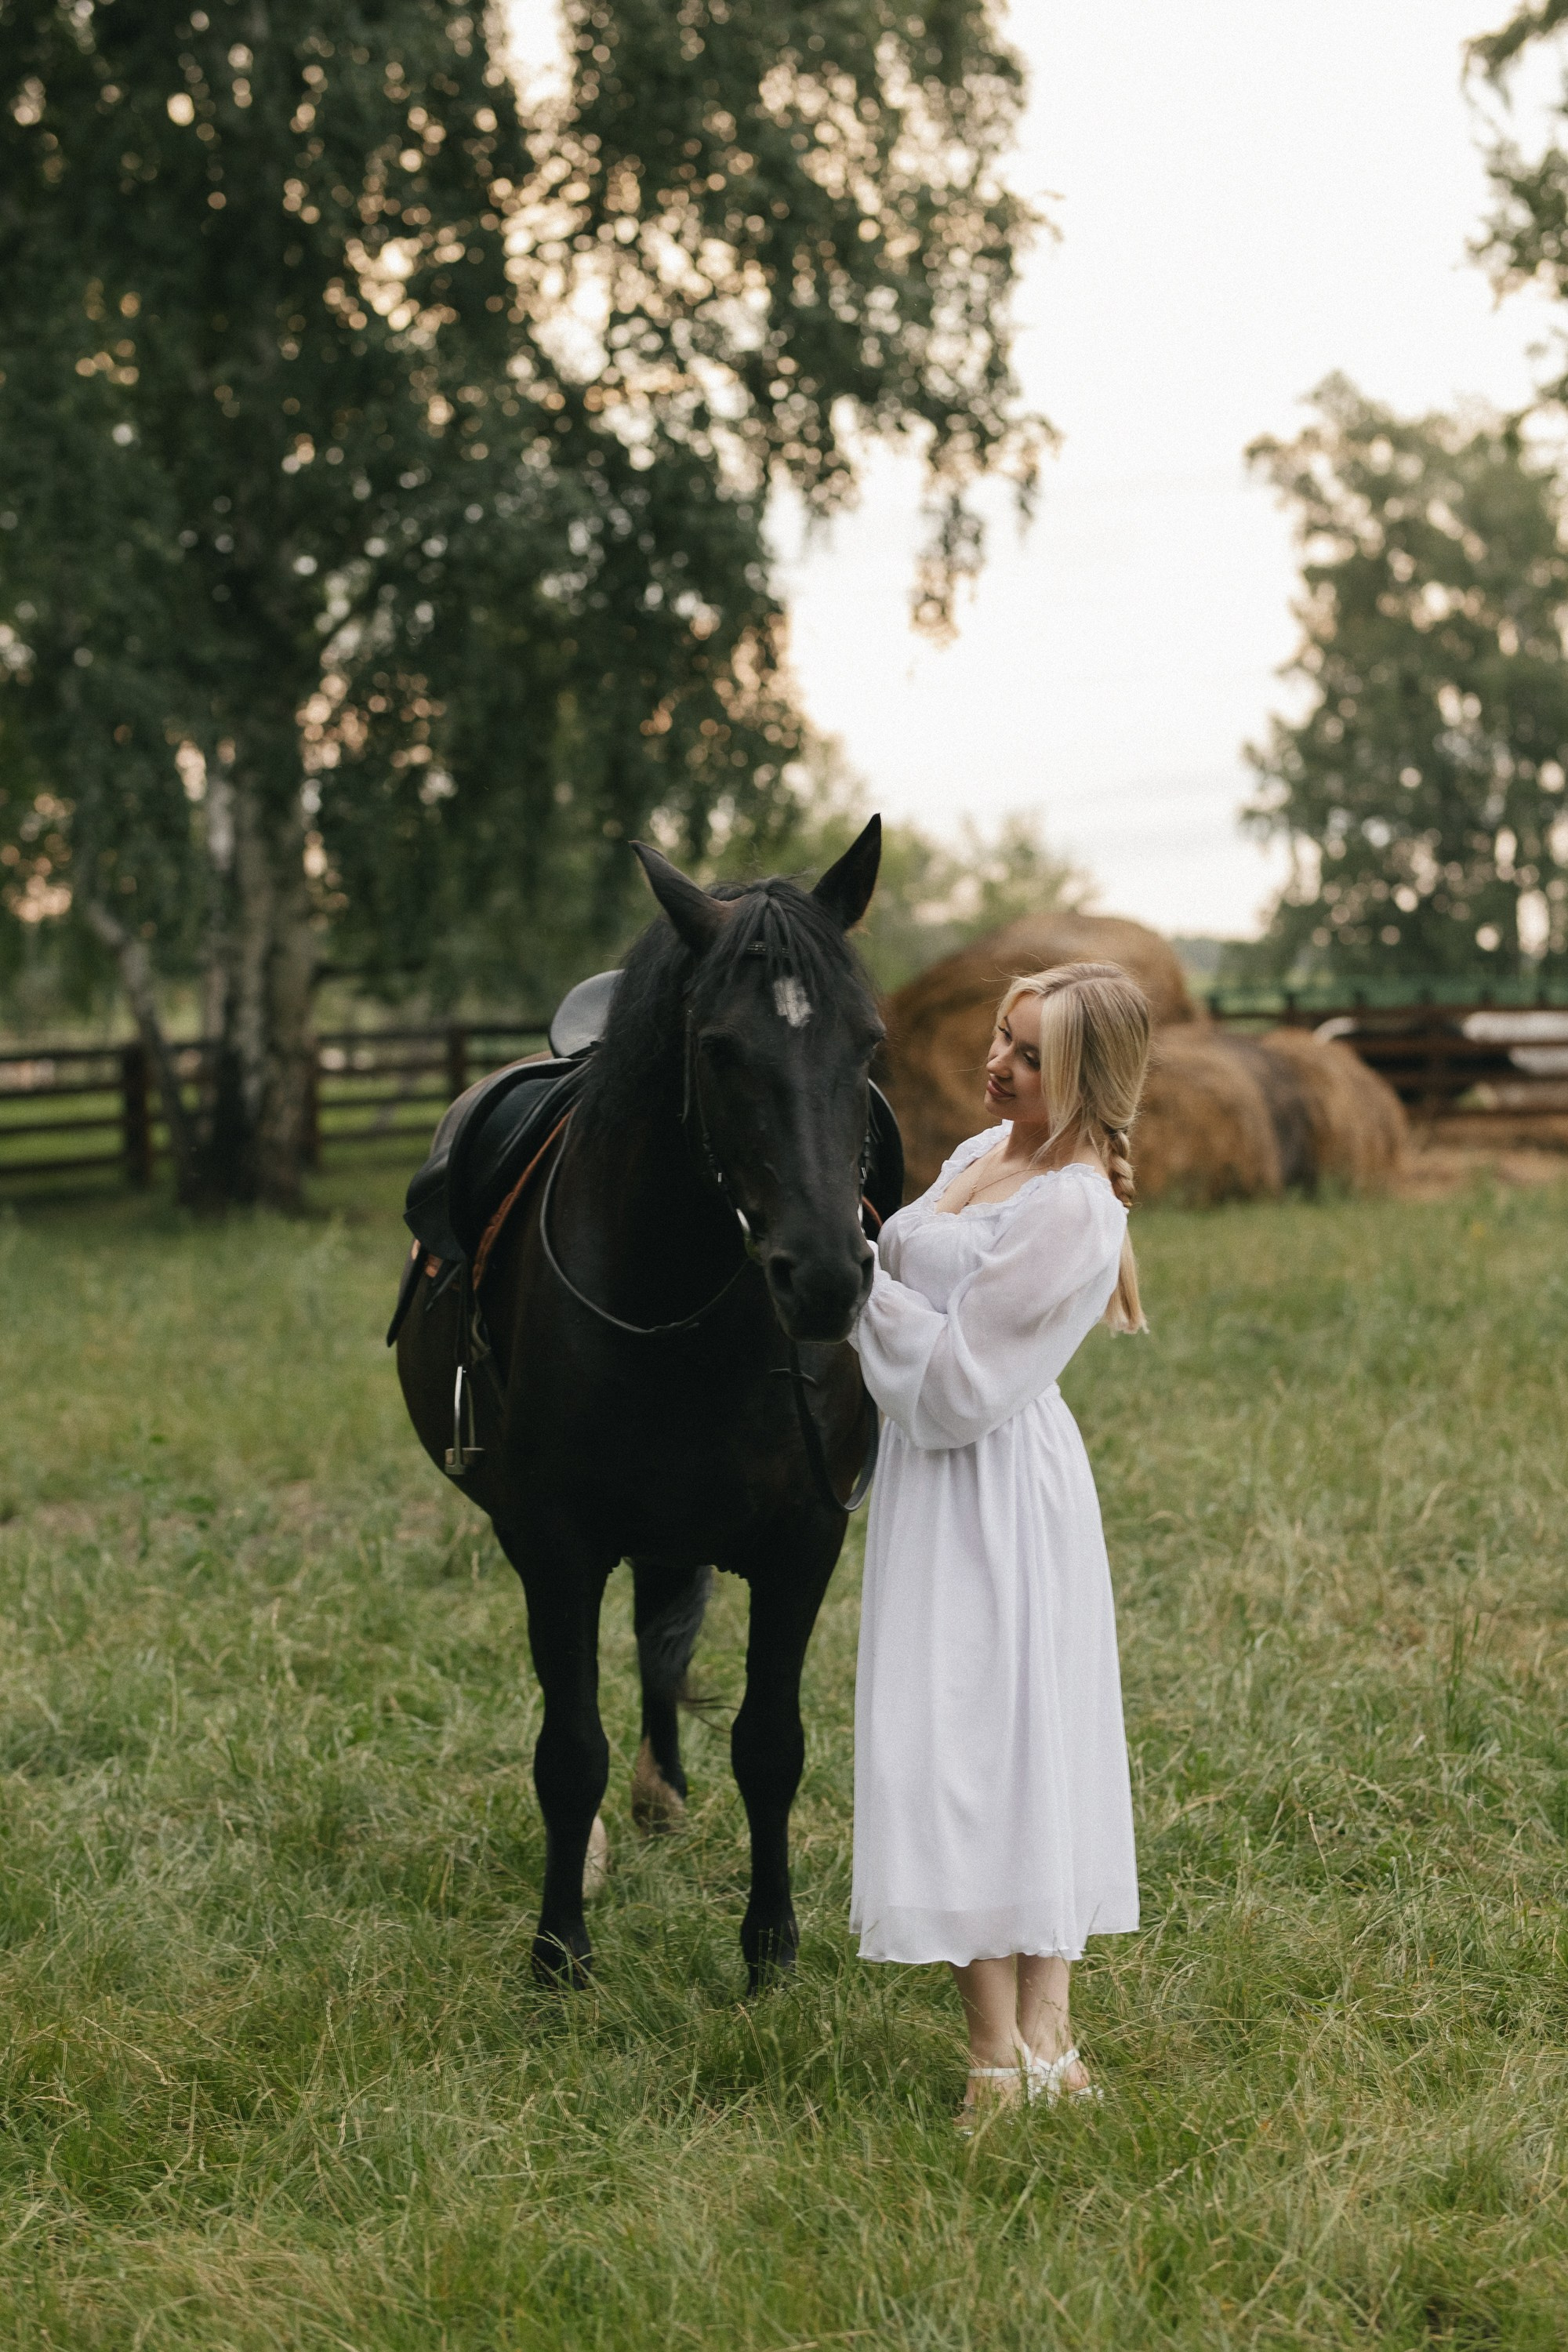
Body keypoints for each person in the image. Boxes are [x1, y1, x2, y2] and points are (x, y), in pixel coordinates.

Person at [848, 960, 1150, 2125]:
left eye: (1029, 1055)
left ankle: (1017, 2050)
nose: (996, 1065)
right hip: (935, 1491)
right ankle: (1028, 2045)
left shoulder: (1075, 1207)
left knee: (1009, 1742)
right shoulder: (982, 1160)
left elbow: (961, 1386)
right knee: (965, 1741)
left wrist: (849, 1282)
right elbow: (915, 1283)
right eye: (1000, 1040)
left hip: (995, 1486)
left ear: (1083, 1076)